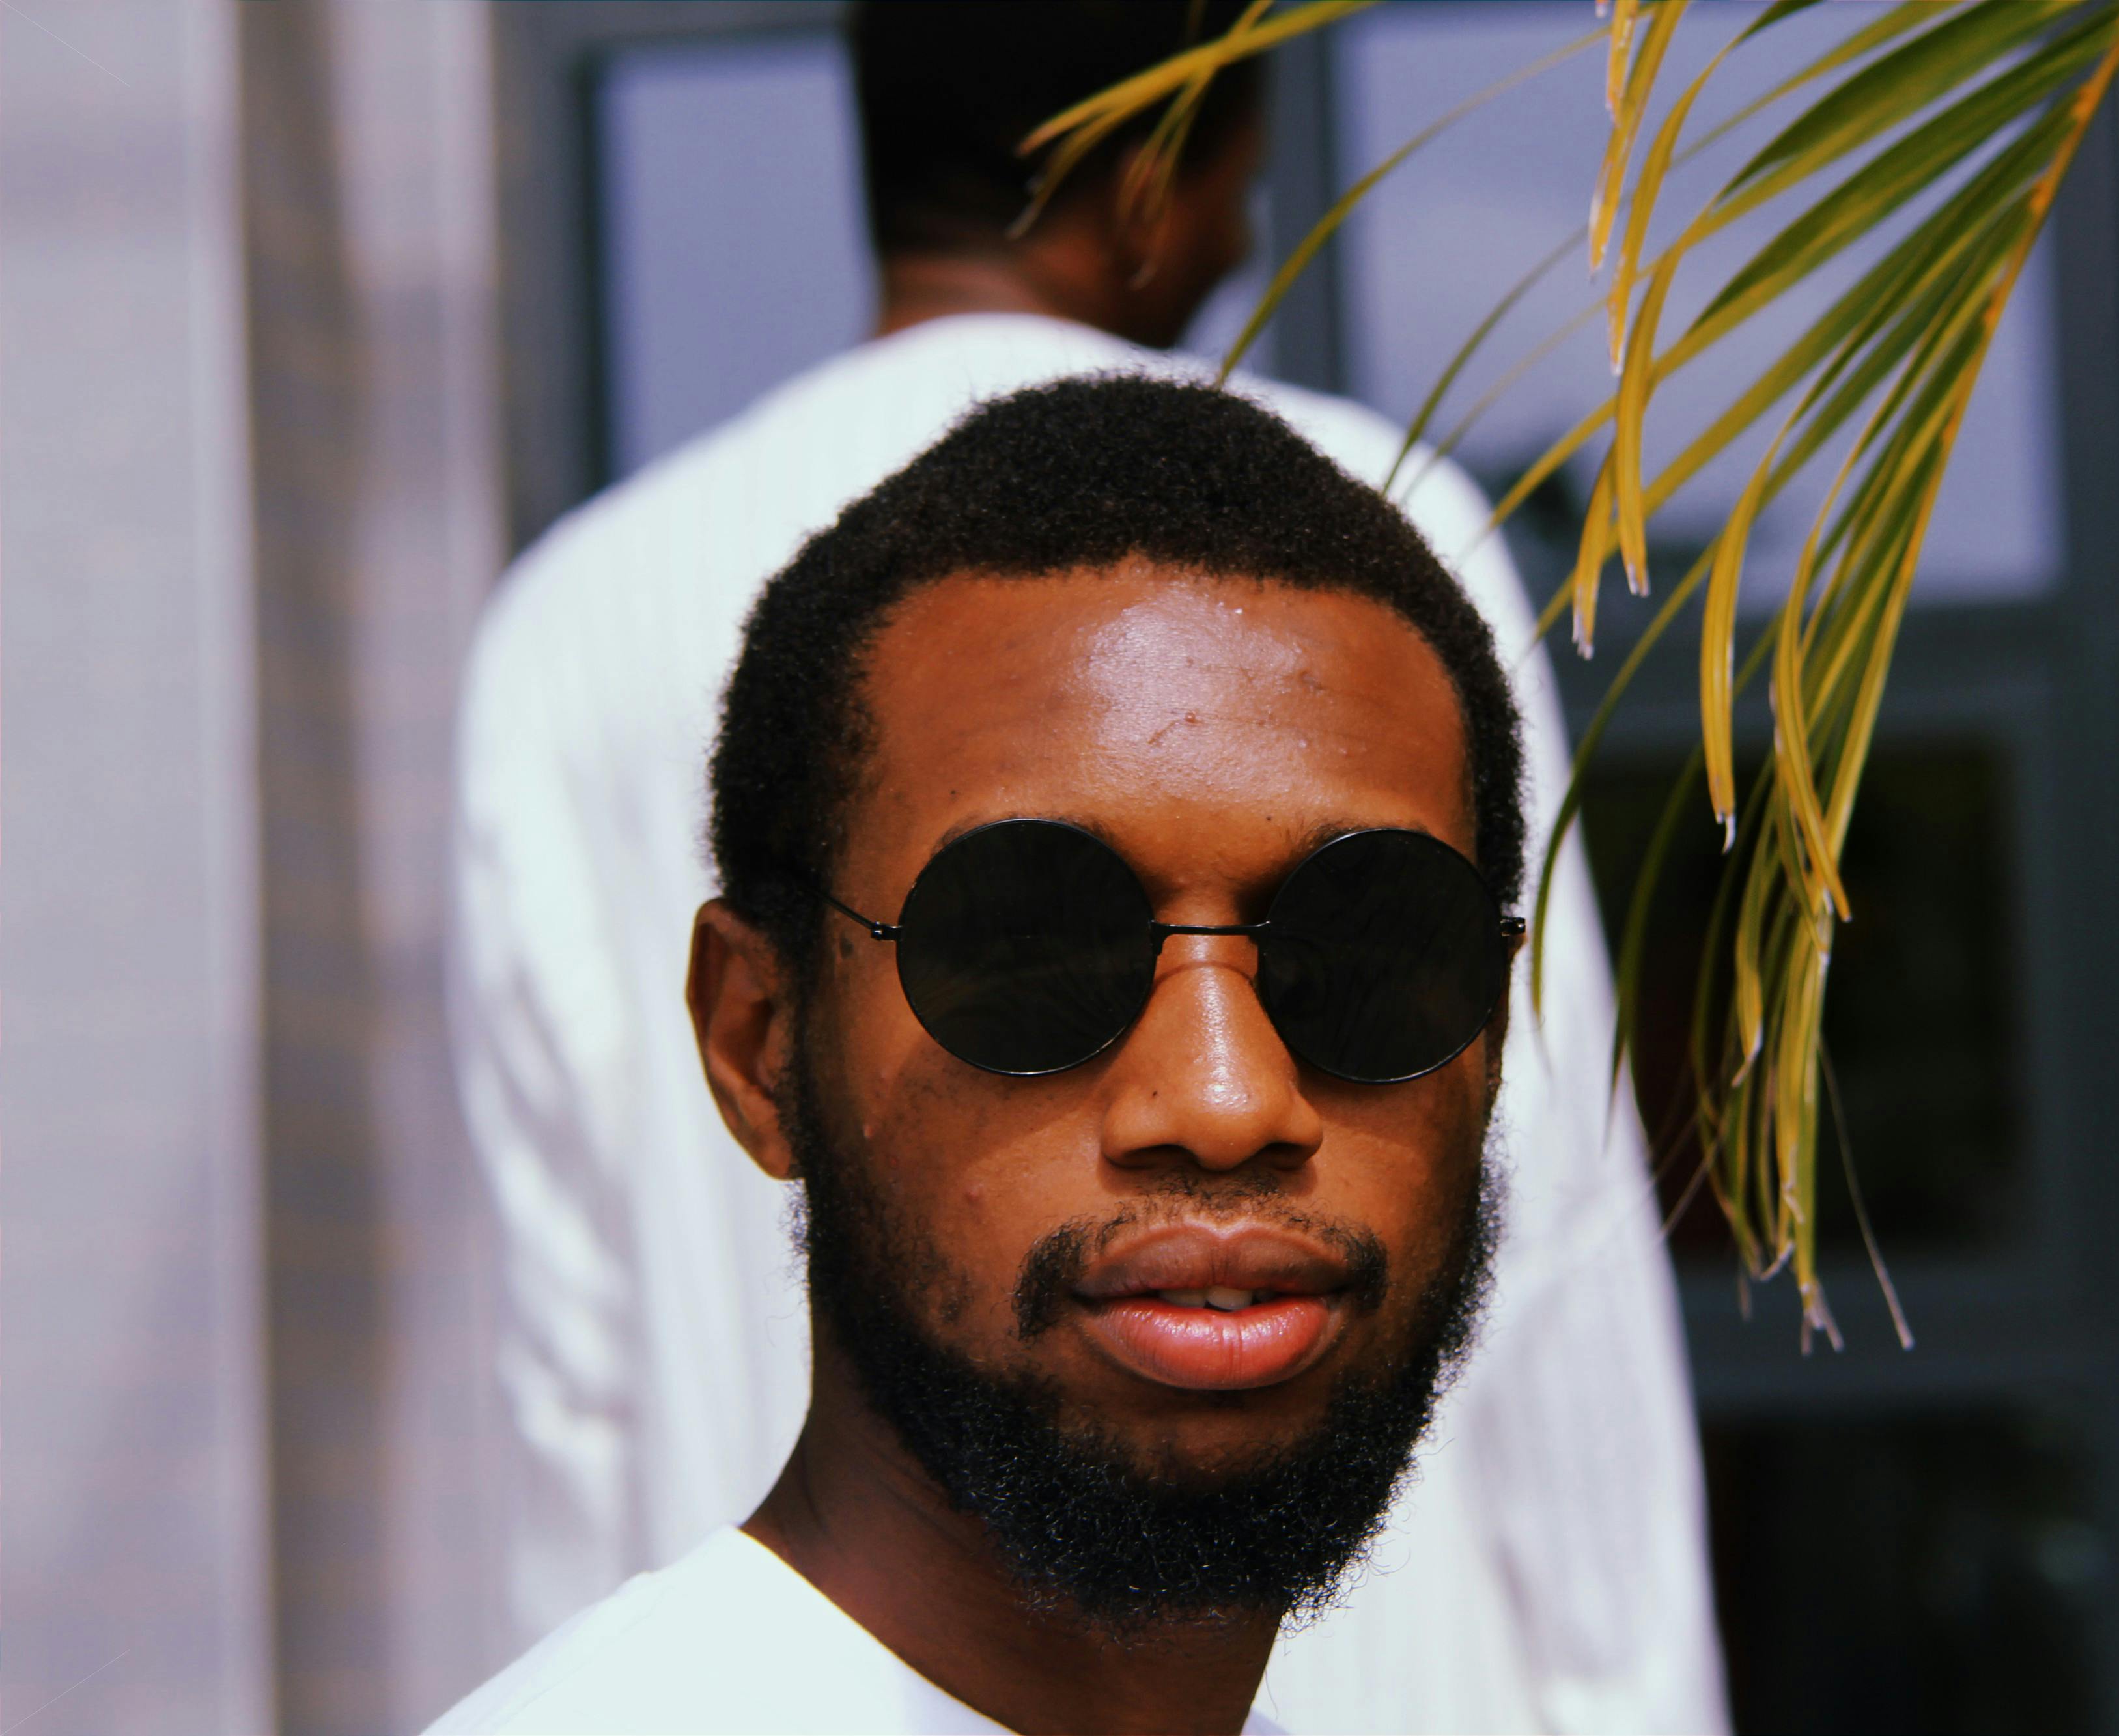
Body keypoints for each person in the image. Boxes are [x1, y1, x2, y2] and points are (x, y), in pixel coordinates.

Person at [446, 7, 1724, 1731]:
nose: (1225, 1091)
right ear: (1148, 179)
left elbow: (573, 1372)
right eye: (1028, 951)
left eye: (1359, 952)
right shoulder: (1374, 544)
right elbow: (1568, 1292)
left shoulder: (567, 631)